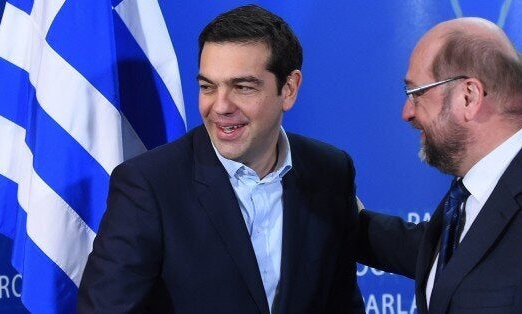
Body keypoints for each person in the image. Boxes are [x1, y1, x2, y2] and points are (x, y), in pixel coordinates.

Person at [78, 5, 364, 313]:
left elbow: (341, 303)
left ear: (289, 88)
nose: (220, 106)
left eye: (242, 87)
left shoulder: (330, 170)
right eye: (207, 87)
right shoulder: (150, 185)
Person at [357, 17, 522, 313]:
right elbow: (457, 260)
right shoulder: (474, 189)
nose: (407, 112)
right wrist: (344, 219)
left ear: (468, 96)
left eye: (416, 93)